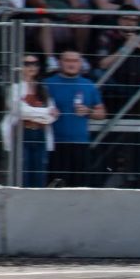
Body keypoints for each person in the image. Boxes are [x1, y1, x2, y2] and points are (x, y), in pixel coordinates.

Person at [44, 50, 106, 187]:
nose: (71, 64)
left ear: (81, 63)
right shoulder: (47, 84)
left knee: (79, 186)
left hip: (80, 143)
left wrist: (88, 111)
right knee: (55, 186)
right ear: (60, 63)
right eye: (67, 60)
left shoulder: (88, 85)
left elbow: (101, 113)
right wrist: (47, 112)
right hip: (55, 144)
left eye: (75, 61)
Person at [2, 54, 59, 187]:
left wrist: (38, 113)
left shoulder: (43, 88)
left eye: (35, 64)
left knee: (39, 174)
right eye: (27, 64)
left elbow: (53, 116)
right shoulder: (14, 88)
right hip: (22, 133)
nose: (31, 67)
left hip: (40, 134)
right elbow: (20, 111)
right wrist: (45, 112)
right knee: (23, 173)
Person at [96, 7, 140, 108]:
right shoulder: (108, 35)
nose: (130, 23)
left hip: (136, 81)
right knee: (97, 74)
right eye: (126, 18)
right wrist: (125, 47)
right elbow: (102, 64)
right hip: (115, 80)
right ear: (119, 20)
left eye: (134, 20)